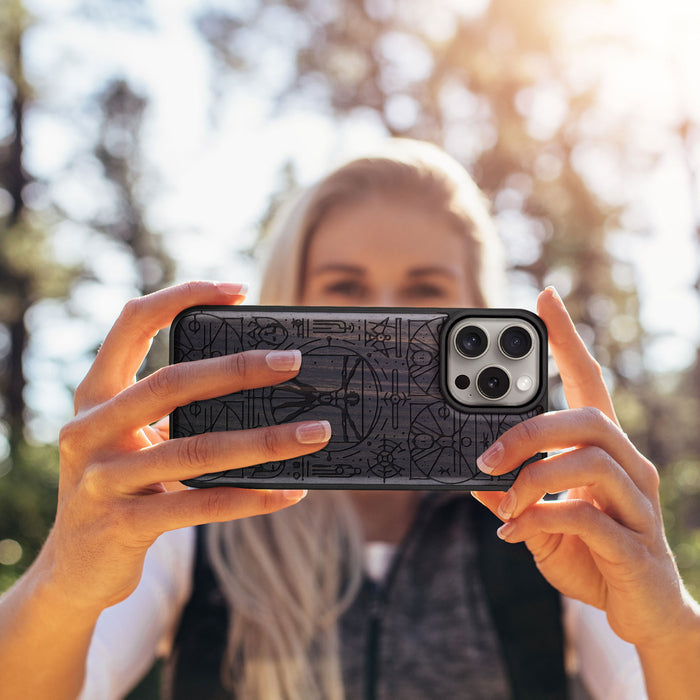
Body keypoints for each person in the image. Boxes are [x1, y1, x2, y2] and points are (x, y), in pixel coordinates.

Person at [1, 139, 699, 700]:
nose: (386, 318)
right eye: (345, 291)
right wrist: (64, 579)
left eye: (426, 291)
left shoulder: (545, 521)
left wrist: (667, 626)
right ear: (286, 305)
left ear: (478, 311)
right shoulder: (196, 515)